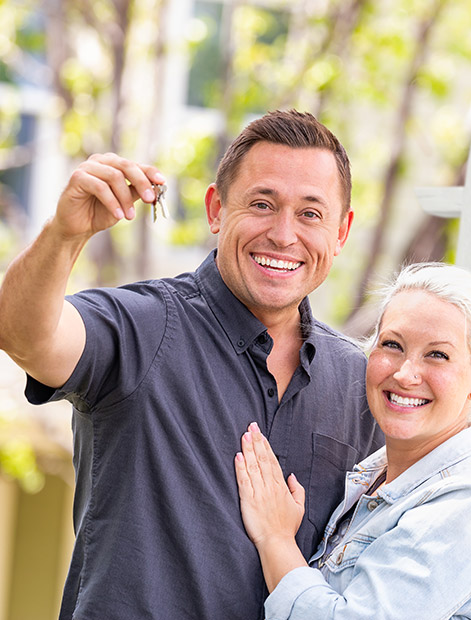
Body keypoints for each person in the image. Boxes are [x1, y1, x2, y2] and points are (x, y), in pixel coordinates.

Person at [0, 110, 384, 619]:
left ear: (341, 232)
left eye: (310, 214)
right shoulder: (142, 328)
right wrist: (64, 235)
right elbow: (24, 334)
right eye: (262, 204)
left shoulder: (361, 384)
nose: (284, 234)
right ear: (216, 210)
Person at [235, 262, 471, 619]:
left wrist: (276, 540)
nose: (405, 374)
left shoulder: (466, 503)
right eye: (392, 345)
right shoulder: (373, 478)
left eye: (437, 354)